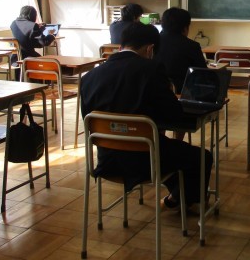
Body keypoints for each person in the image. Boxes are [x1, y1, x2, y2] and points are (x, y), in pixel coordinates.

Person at [80, 22, 212, 209]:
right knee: (201, 157)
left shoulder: (89, 77)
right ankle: (183, 201)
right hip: (145, 159)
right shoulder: (152, 70)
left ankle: (177, 197)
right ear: (150, 49)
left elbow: (88, 120)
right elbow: (172, 114)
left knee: (171, 153)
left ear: (121, 45)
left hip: (107, 159)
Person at [154, 7, 207, 94]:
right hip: (181, 93)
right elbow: (203, 73)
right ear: (185, 28)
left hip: (153, 91)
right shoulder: (192, 46)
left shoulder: (152, 43)